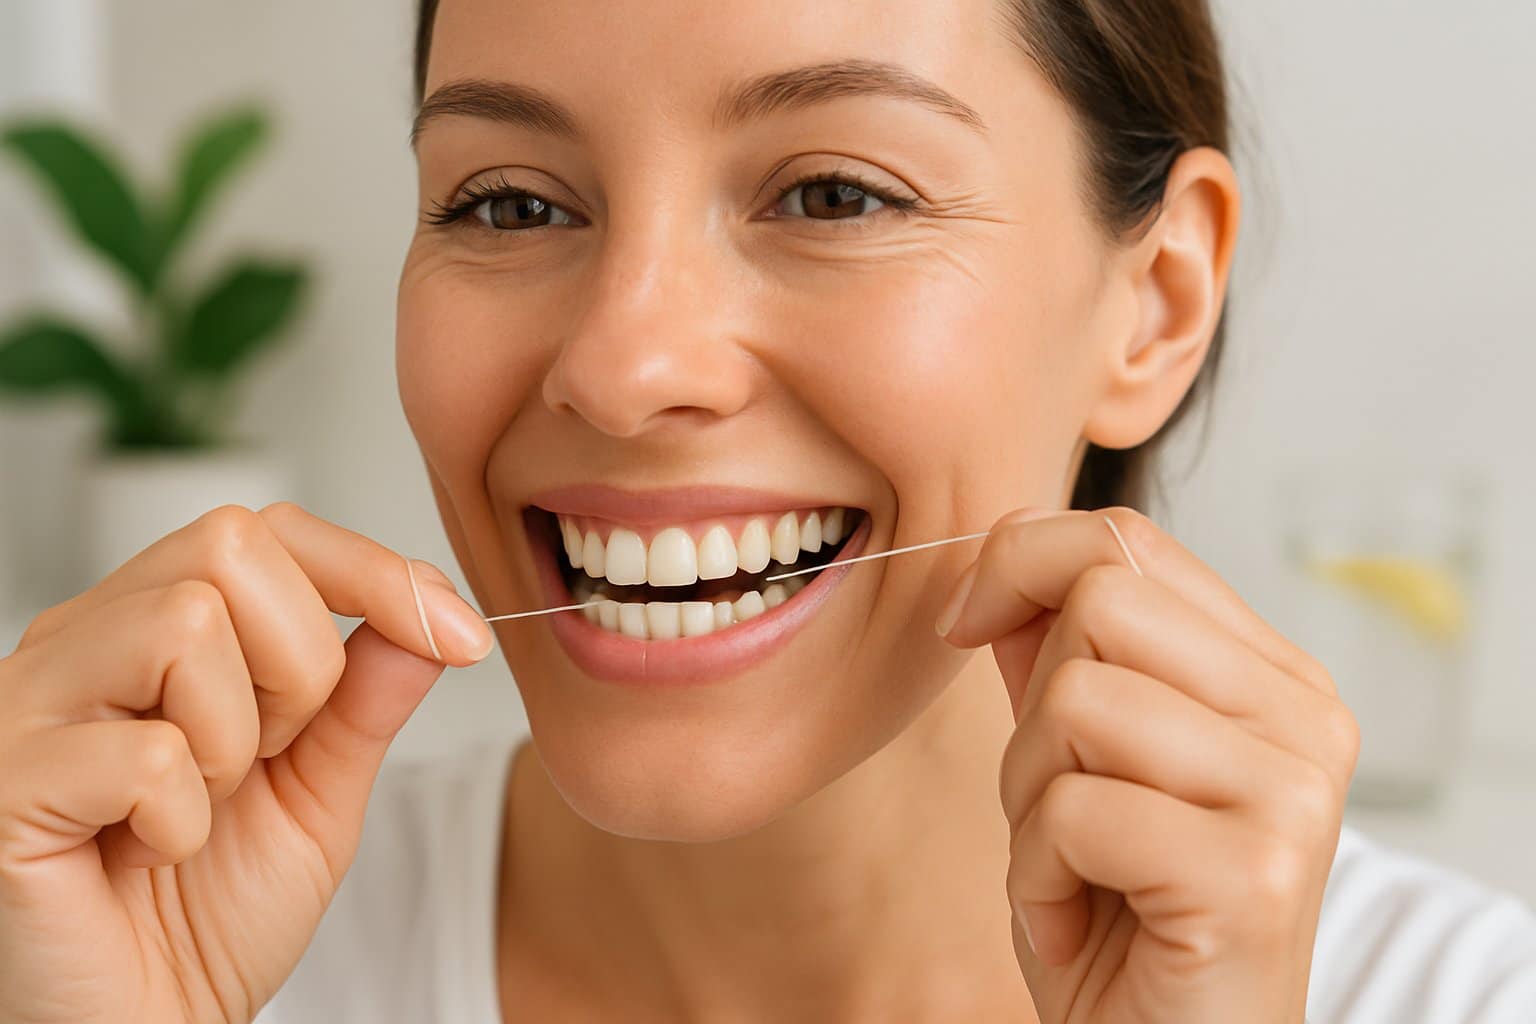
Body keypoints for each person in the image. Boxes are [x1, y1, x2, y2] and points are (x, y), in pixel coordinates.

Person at [2, 1, 1533, 1021]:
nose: (621, 367)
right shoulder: (170, 958)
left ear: (1154, 304)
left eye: (834, 194)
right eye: (511, 202)